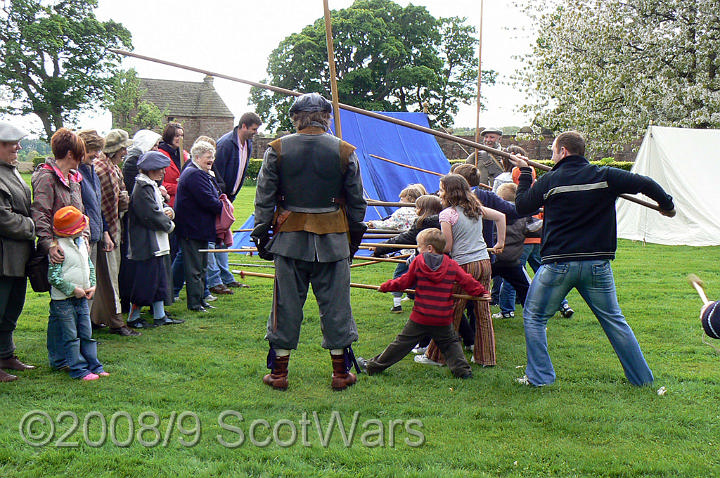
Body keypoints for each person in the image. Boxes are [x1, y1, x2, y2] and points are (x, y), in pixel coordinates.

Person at [512, 130, 676, 387]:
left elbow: (522, 207)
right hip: (597, 264)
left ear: (563, 151)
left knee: (534, 316)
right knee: (614, 321)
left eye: (553, 152)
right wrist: (667, 205)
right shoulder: (605, 175)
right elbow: (644, 183)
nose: (552, 157)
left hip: (557, 263)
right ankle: (642, 380)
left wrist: (523, 173)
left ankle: (540, 378)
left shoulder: (549, 181)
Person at [252, 92, 367, 391]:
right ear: (325, 117)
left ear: (296, 118)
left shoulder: (277, 149)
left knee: (284, 305)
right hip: (334, 239)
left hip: (289, 240)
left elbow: (264, 197)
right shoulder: (344, 150)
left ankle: (279, 374)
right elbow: (357, 201)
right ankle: (340, 374)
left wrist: (261, 233)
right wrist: (352, 235)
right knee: (337, 306)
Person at [358, 228, 489, 378]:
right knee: (451, 344)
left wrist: (386, 286)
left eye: (419, 246)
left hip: (421, 316)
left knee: (401, 343)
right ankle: (463, 372)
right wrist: (480, 291)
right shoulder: (451, 264)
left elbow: (404, 281)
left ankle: (373, 366)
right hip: (442, 317)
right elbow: (467, 280)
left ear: (429, 248)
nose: (417, 249)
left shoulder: (418, 262)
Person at [418, 174, 505, 367]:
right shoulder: (475, 209)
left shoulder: (447, 214)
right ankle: (486, 357)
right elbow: (501, 216)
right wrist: (500, 242)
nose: (439, 193)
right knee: (482, 311)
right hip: (484, 262)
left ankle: (436, 356)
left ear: (449, 192)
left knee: (452, 309)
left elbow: (448, 247)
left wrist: (430, 246)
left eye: (441, 189)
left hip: (464, 265)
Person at [32, 128, 92, 369]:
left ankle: (68, 356)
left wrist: (85, 236)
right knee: (60, 305)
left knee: (72, 304)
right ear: (70, 153)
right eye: (79, 152)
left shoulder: (73, 178)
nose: (82, 157)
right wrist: (48, 244)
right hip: (59, 249)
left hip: (76, 246)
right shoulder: (46, 177)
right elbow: (41, 213)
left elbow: (81, 213)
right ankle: (60, 358)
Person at [47, 206, 107, 381]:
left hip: (81, 298)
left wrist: (92, 285)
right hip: (64, 301)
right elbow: (53, 277)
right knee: (71, 335)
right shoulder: (58, 248)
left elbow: (89, 266)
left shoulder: (81, 243)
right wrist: (73, 290)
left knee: (86, 333)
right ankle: (78, 369)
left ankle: (94, 365)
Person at [126, 151, 183, 327]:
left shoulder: (149, 186)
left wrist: (169, 211)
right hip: (147, 243)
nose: (163, 172)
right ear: (149, 170)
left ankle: (160, 315)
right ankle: (133, 317)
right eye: (159, 169)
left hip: (157, 242)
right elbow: (150, 215)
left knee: (159, 279)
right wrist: (169, 225)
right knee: (145, 282)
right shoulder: (142, 188)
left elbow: (159, 208)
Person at [0, 121, 37, 382]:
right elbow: (4, 218)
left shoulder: (10, 170)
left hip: (19, 255)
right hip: (3, 256)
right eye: (13, 144)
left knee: (13, 307)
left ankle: (5, 354)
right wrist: (33, 225)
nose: (19, 148)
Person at [212, 113, 263, 291]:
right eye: (254, 129)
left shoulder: (247, 144)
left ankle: (225, 277)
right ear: (243, 126)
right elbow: (215, 170)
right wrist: (221, 195)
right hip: (220, 197)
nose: (255, 133)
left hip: (229, 197)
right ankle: (214, 280)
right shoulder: (226, 144)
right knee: (216, 237)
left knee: (224, 236)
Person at [94, 129, 137, 336]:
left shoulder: (112, 167)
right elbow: (99, 205)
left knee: (108, 275)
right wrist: (106, 232)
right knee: (109, 276)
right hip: (106, 230)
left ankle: (97, 318)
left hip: (114, 227)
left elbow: (120, 197)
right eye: (123, 148)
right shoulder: (101, 169)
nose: (126, 152)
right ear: (115, 149)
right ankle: (116, 321)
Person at [173, 141, 223, 312]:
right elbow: (209, 200)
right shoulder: (195, 174)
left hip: (198, 229)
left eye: (213, 157)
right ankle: (195, 303)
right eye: (208, 157)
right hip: (192, 229)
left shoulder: (198, 173)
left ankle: (201, 299)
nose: (211, 160)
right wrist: (221, 205)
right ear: (197, 157)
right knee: (195, 269)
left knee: (201, 267)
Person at [373, 193, 442, 313]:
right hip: (442, 263)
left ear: (423, 209)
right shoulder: (444, 221)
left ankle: (402, 305)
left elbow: (404, 238)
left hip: (424, 265)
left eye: (417, 207)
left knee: (405, 277)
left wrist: (380, 248)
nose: (415, 210)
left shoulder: (423, 223)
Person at [368, 184, 426, 312]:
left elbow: (389, 224)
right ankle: (418, 299)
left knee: (399, 275)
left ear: (409, 199)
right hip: (422, 251)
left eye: (401, 199)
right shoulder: (423, 212)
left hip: (407, 253)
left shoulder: (402, 212)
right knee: (419, 276)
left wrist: (373, 223)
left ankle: (396, 304)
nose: (399, 202)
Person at [76, 130, 113, 330]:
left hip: (96, 236)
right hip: (84, 237)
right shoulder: (78, 175)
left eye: (98, 150)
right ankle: (82, 329)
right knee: (83, 284)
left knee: (92, 282)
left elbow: (98, 206)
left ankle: (87, 324)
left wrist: (105, 232)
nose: (97, 154)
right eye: (93, 150)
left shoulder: (92, 173)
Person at [489, 183, 531, 319]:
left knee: (478, 283)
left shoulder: (496, 212)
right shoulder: (521, 213)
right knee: (524, 288)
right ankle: (532, 317)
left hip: (496, 257)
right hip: (511, 258)